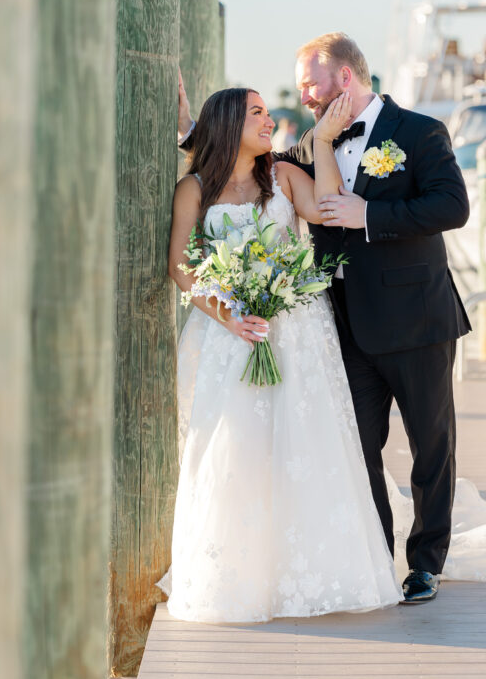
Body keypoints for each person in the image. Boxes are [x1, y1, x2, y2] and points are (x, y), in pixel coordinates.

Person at [178, 34, 472, 604]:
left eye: (308, 83)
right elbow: (239, 168)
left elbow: (452, 206)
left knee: (431, 445)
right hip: (344, 326)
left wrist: (372, 214)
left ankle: (426, 563)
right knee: (355, 447)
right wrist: (191, 127)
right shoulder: (311, 143)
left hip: (416, 318)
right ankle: (375, 558)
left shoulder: (419, 132)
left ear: (343, 78)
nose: (304, 95)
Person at [164, 86, 403, 622]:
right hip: (230, 335)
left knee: (306, 445)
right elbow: (180, 265)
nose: (269, 121)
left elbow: (329, 207)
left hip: (295, 331)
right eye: (257, 113)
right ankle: (244, 576)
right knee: (236, 451)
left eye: (269, 113)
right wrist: (229, 314)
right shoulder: (194, 190)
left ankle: (312, 570)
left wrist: (319, 141)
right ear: (229, 123)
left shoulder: (284, 177)